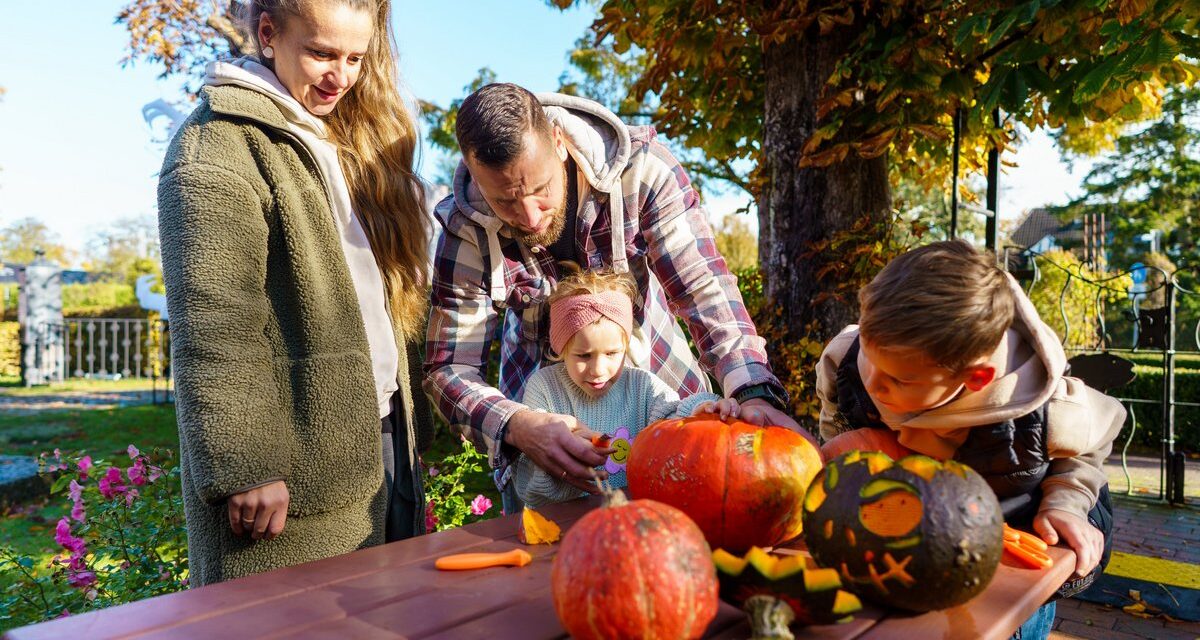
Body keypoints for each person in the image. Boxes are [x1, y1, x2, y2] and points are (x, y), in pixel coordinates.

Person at [424, 82, 803, 512]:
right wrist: (518, 425)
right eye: (505, 201)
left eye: (540, 190)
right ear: (477, 179)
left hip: (665, 405)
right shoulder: (465, 228)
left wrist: (751, 388)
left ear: (559, 142)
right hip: (543, 452)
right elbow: (450, 366)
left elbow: (704, 289)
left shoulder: (642, 170)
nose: (528, 217)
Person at [157, 0, 432, 586]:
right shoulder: (217, 146)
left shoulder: (337, 138)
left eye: (356, 57)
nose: (342, 76)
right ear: (267, 34)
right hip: (290, 473)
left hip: (381, 438)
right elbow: (215, 320)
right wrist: (245, 463)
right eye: (322, 53)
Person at [815, 239, 1123, 638]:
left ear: (974, 377)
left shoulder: (1051, 413)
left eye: (899, 379)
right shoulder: (845, 361)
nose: (873, 383)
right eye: (870, 358)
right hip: (896, 547)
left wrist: (1067, 499)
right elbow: (836, 419)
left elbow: (1101, 434)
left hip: (1003, 557)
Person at [512, 267, 753, 507]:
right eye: (584, 356)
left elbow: (672, 415)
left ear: (625, 347)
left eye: (611, 353)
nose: (598, 369)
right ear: (561, 349)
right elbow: (532, 485)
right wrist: (563, 456)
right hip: (563, 521)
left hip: (633, 516)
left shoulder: (641, 386)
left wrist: (701, 412)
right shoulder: (544, 388)